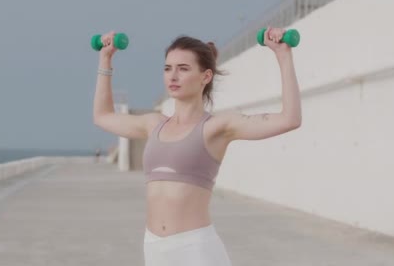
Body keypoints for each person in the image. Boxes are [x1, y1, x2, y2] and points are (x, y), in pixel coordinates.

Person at [93, 28, 301, 266]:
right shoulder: (154, 124)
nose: (173, 76)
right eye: (167, 68)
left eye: (183, 69)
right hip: (154, 248)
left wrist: (284, 55)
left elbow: (289, 119)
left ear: (206, 76)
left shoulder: (217, 126)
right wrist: (105, 58)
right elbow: (102, 116)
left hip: (195, 251)